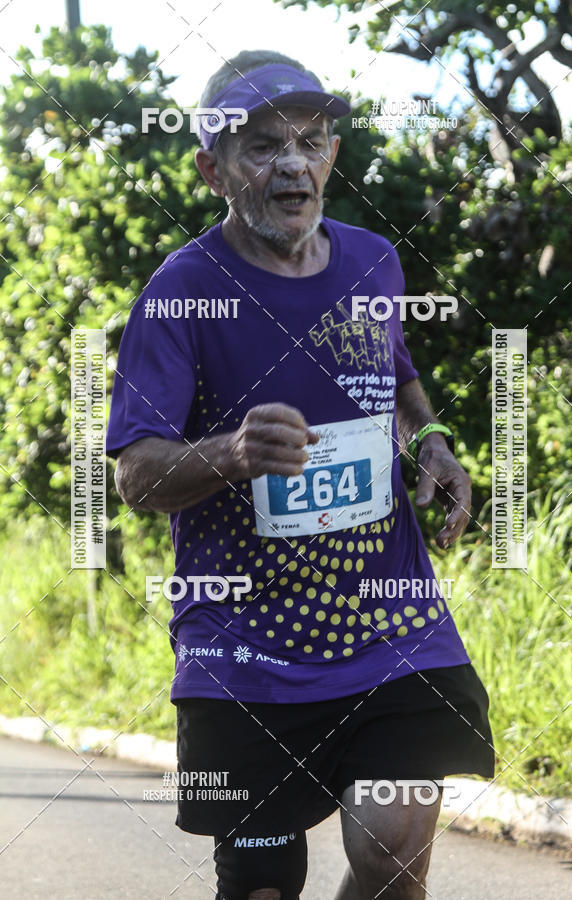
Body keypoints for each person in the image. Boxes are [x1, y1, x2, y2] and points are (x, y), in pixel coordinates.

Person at [106, 49, 494, 900]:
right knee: (263, 888)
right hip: (242, 648)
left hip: (390, 627)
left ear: (333, 157)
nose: (293, 162)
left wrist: (432, 437)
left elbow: (394, 371)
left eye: (311, 140)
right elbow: (135, 473)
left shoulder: (370, 262)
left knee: (393, 858)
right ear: (213, 170)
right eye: (261, 146)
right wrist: (232, 454)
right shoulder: (178, 295)